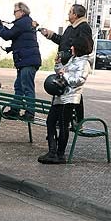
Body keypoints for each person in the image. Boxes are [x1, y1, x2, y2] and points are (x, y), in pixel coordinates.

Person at [39, 36, 93, 164]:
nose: (71, 48)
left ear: (79, 47)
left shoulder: (84, 63)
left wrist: (66, 75)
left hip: (70, 98)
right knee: (50, 122)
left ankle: (60, 154)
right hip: (60, 95)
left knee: (63, 125)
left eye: (73, 46)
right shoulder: (73, 59)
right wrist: (58, 64)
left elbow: (79, 80)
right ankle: (52, 151)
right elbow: (60, 72)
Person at [0, 2, 41, 119]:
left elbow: (8, 35)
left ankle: (30, 113)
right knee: (19, 86)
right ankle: (15, 110)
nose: (13, 14)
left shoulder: (23, 22)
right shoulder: (25, 22)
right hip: (25, 60)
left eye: (15, 11)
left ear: (22, 12)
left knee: (27, 87)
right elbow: (19, 37)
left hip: (27, 61)